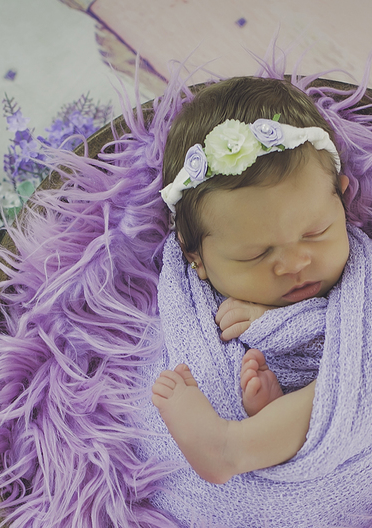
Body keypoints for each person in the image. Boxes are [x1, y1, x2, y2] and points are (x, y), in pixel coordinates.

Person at [150, 76, 357, 485]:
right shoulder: (193, 303)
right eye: (255, 255)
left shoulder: (367, 281)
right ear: (195, 257)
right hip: (251, 476)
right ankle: (268, 426)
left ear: (342, 197)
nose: (294, 264)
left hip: (351, 433)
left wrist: (275, 323)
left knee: (359, 380)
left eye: (316, 232)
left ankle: (233, 446)